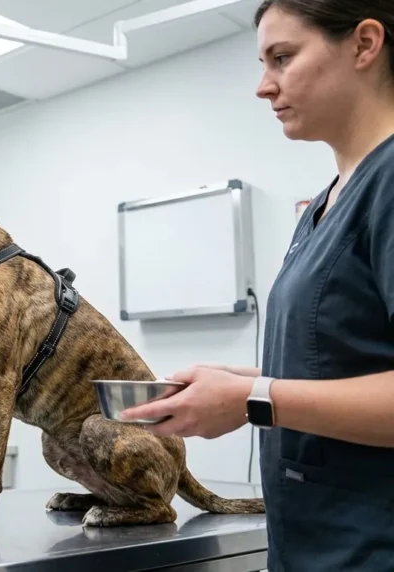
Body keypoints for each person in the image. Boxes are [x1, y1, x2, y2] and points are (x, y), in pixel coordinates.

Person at [119, 1, 394, 570]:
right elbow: (336, 366)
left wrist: (253, 399)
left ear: (365, 44)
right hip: (310, 544)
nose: (263, 87)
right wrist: (234, 384)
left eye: (283, 58)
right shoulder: (325, 203)